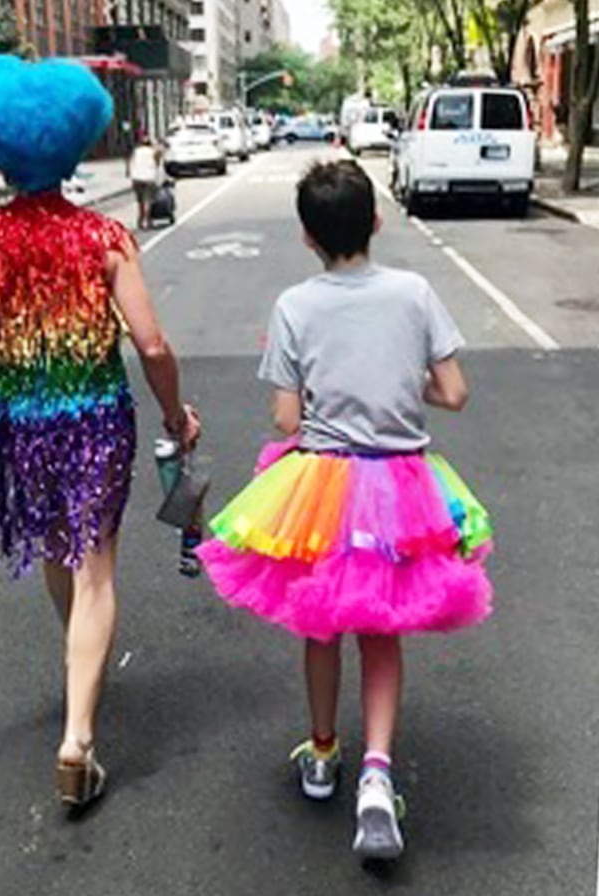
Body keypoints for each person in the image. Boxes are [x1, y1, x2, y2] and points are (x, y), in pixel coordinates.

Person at [0, 55, 200, 808]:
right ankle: (78, 739)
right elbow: (151, 346)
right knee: (97, 570)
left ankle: (78, 662)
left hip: (18, 423)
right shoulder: (103, 238)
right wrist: (176, 418)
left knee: (59, 547)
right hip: (94, 419)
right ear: (73, 139)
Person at [197, 160, 493, 862]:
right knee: (382, 630)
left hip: (323, 484)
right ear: (377, 222)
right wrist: (400, 379)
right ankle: (377, 775)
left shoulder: (296, 306)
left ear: (306, 236)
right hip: (401, 485)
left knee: (322, 622)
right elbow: (455, 393)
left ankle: (325, 754)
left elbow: (283, 418)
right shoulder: (415, 292)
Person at [129, 134, 162, 230]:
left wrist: (131, 175)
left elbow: (131, 163)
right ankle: (146, 221)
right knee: (147, 200)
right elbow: (157, 164)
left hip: (137, 178)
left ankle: (140, 220)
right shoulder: (153, 152)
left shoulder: (136, 151)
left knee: (140, 201)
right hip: (148, 178)